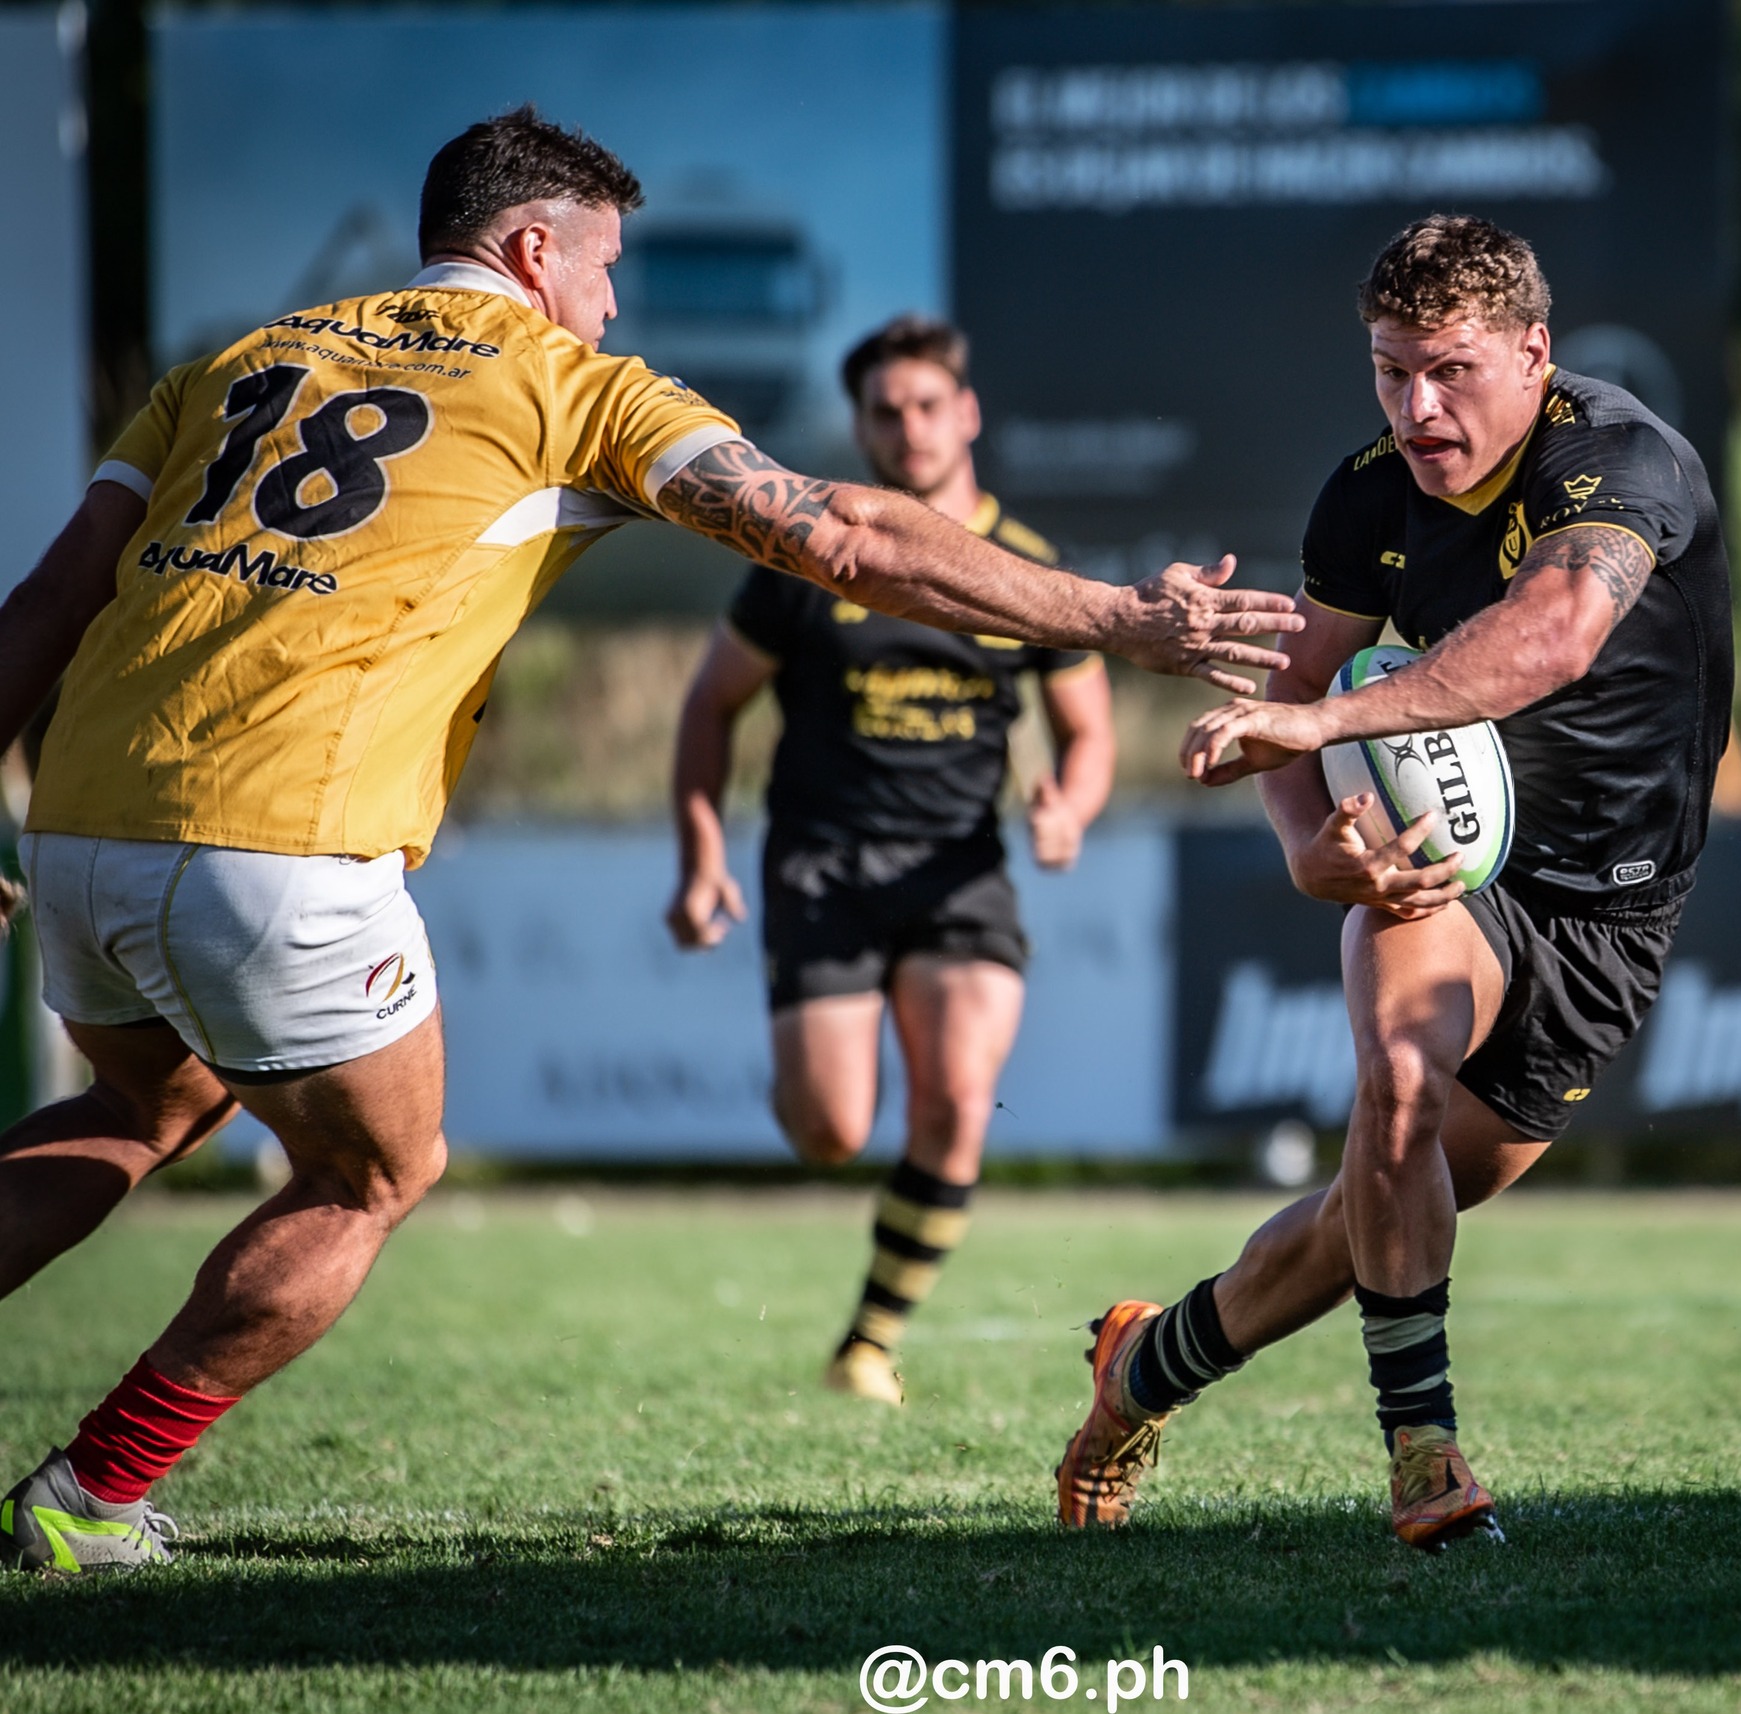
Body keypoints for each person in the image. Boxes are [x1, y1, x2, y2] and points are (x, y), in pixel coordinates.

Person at [0, 106, 1298, 1574]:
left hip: (85, 817)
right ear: (533, 249)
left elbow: (48, 600)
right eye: (605, 267)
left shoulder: (231, 362)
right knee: (372, 1173)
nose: (614, 302)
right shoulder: (566, 381)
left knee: (139, 1107)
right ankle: (91, 1493)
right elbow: (843, 538)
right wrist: (1119, 616)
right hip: (279, 840)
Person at [1052, 215, 1733, 1550]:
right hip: (1448, 871)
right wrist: (1308, 838)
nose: (1417, 407)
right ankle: (1425, 1454)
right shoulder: (1367, 498)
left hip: (1617, 909)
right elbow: (1294, 691)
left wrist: (1317, 731)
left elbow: (1556, 630)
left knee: (1376, 1208)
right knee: (1400, 1089)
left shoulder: (1622, 461)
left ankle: (1143, 1365)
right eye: (1388, 369)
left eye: (1451, 370)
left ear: (1534, 355)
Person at [667, 316, 1114, 1405]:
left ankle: (868, 1340)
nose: (907, 427)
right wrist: (700, 851)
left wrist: (1070, 806)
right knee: (827, 1128)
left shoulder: (1026, 572)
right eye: (884, 410)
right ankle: (856, 1286)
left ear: (966, 414)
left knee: (958, 1100)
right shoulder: (805, 554)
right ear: (859, 429)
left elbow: (1088, 730)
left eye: (926, 404)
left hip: (959, 870)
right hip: (822, 865)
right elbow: (710, 705)